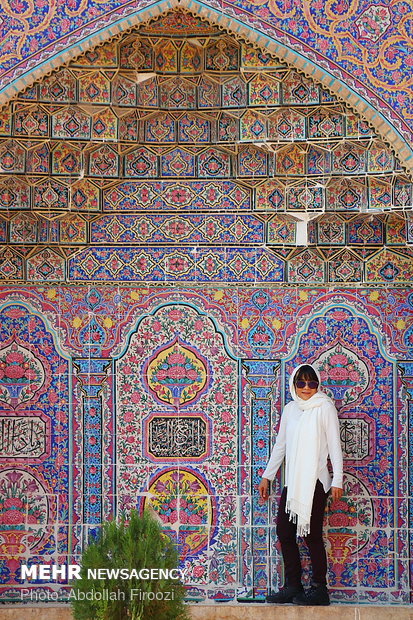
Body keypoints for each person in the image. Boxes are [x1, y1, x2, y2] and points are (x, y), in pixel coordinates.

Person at [258, 363, 343, 606]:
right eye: (301, 383)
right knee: (285, 532)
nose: (307, 388)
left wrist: (337, 479)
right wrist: (268, 475)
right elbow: (281, 445)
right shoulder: (290, 410)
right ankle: (293, 586)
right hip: (293, 483)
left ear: (318, 384)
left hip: (315, 482)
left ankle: (319, 590)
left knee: (312, 536)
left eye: (312, 383)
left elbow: (335, 445)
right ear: (294, 384)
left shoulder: (325, 407)